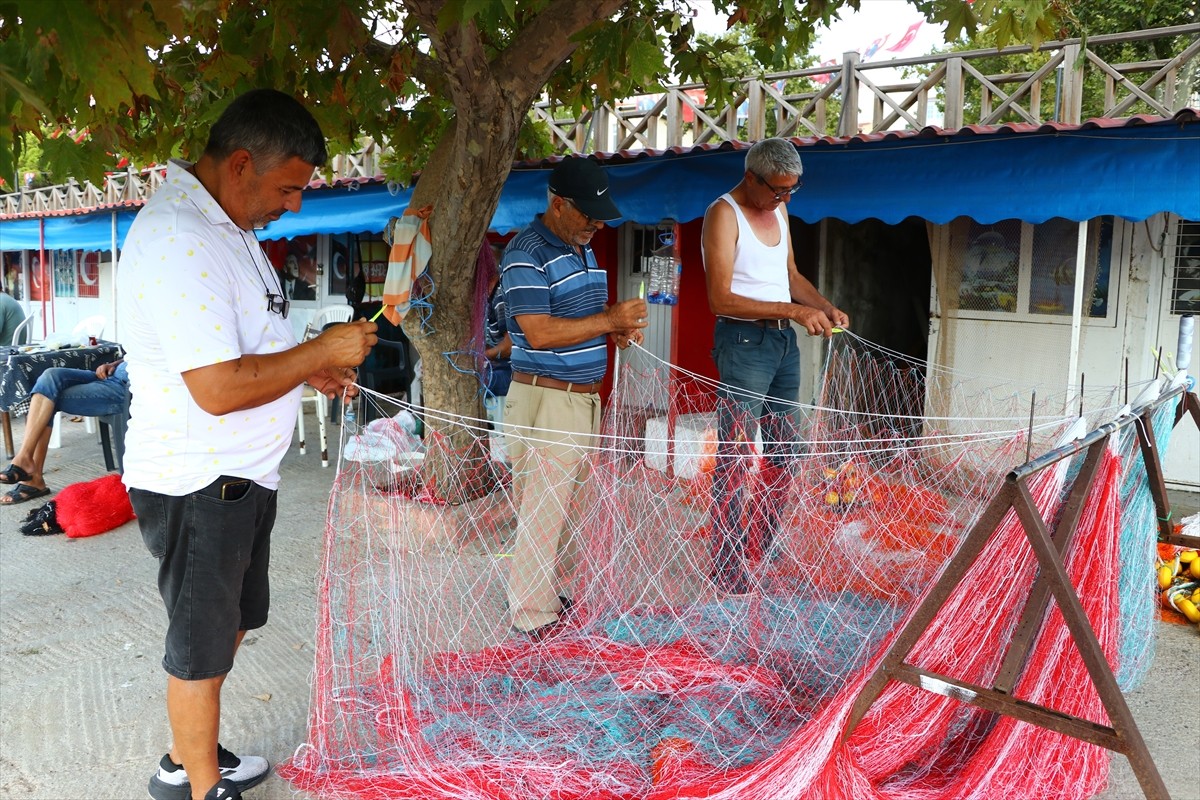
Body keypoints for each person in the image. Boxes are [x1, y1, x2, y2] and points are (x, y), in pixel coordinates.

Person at [117, 89, 377, 800]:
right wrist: (318, 346)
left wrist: (310, 368)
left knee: (231, 622)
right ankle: (199, 786)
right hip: (199, 480)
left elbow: (249, 351)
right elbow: (218, 388)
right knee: (200, 649)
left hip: (240, 477)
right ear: (239, 164)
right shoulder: (181, 236)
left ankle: (187, 754)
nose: (293, 206)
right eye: (288, 188)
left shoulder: (227, 227)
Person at [500, 157, 647, 639]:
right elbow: (539, 333)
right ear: (558, 204)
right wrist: (608, 322)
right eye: (586, 213)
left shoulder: (581, 248)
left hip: (583, 400)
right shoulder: (526, 253)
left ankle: (551, 599)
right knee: (543, 512)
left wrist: (615, 327)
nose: (596, 223)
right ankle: (531, 617)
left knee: (570, 509)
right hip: (547, 399)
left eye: (600, 213)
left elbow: (579, 319)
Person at [701, 137, 850, 594]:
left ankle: (763, 545)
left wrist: (823, 306)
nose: (784, 200)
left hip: (784, 344)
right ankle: (726, 565)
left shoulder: (780, 211)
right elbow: (719, 298)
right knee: (737, 453)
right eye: (777, 191)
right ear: (751, 177)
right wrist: (792, 311)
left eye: (791, 191)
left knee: (787, 451)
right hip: (744, 341)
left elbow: (790, 276)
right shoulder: (723, 214)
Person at [0, 359, 129, 504]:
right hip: (111, 374)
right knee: (50, 376)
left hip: (125, 388)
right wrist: (113, 364)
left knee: (46, 397)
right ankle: (25, 459)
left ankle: (31, 474)